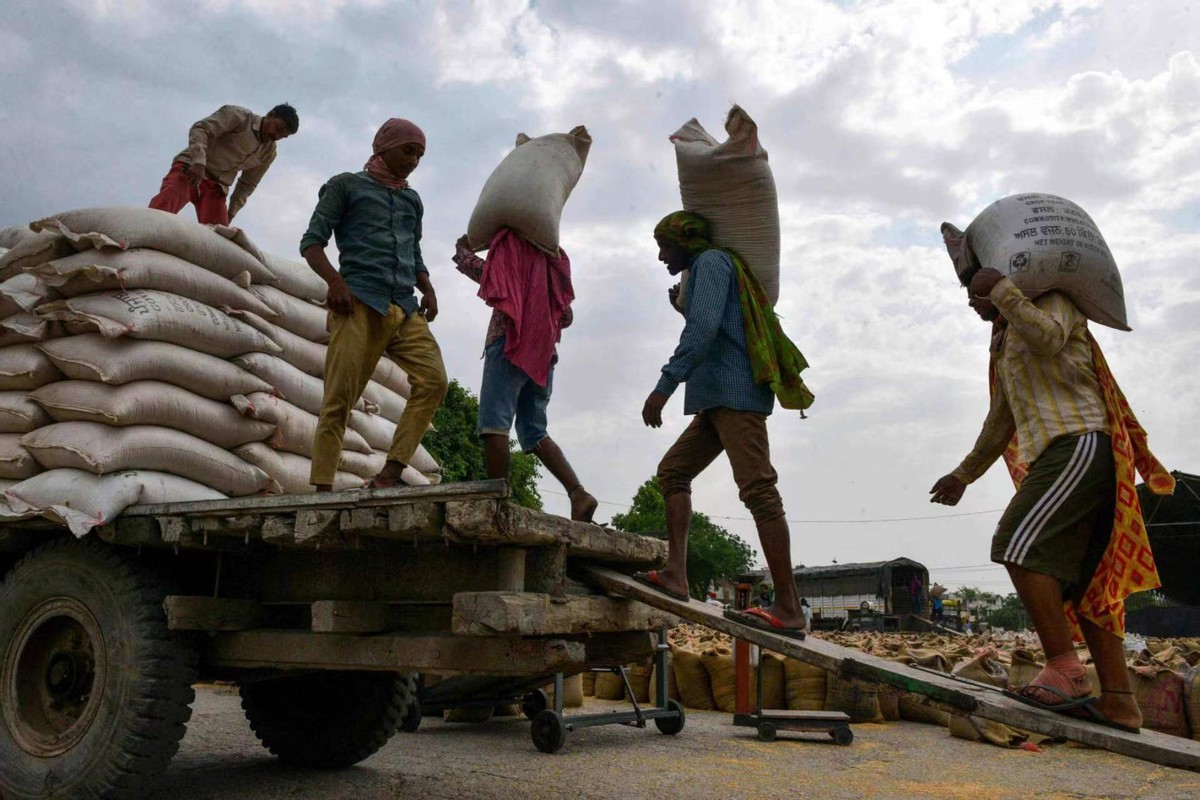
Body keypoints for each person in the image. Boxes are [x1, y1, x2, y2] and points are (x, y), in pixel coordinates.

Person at [929, 243, 1174, 733]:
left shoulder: (1052, 304)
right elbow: (1002, 419)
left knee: (1016, 544)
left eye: (972, 288)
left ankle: (1065, 669)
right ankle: (1121, 701)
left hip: (1080, 442)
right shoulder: (1003, 341)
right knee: (1088, 585)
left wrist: (1000, 289)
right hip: (1060, 453)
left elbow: (1046, 340)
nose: (971, 300)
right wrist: (964, 474)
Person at [632, 210, 814, 639]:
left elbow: (705, 329)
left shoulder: (711, 263)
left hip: (736, 394)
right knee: (673, 472)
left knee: (759, 491)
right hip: (715, 399)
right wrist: (684, 306)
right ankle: (676, 573)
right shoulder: (701, 271)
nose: (661, 256)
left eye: (665, 246)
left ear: (686, 243)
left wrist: (664, 385)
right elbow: (714, 324)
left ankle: (789, 607)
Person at [300, 118, 447, 491]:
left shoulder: (412, 200)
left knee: (434, 382)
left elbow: (413, 251)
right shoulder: (346, 186)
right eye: (408, 150)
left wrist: (427, 287)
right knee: (338, 401)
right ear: (383, 146)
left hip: (404, 306)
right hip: (359, 303)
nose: (414, 160)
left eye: (420, 154)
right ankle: (322, 490)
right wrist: (335, 282)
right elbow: (312, 243)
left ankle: (390, 473)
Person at [452, 231, 597, 521]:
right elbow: (565, 315)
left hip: (509, 343)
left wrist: (463, 252)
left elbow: (492, 277)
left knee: (495, 425)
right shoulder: (551, 258)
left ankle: (496, 503)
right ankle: (578, 493)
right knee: (534, 431)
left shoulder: (512, 246)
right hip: (543, 352)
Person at [150, 103, 298, 225]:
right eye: (278, 128)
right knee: (162, 211)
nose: (276, 136)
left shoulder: (269, 152)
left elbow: (247, 185)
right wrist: (199, 161)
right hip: (190, 170)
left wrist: (230, 214)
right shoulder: (239, 117)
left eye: (282, 136)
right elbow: (201, 129)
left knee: (220, 237)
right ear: (271, 115)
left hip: (216, 187)